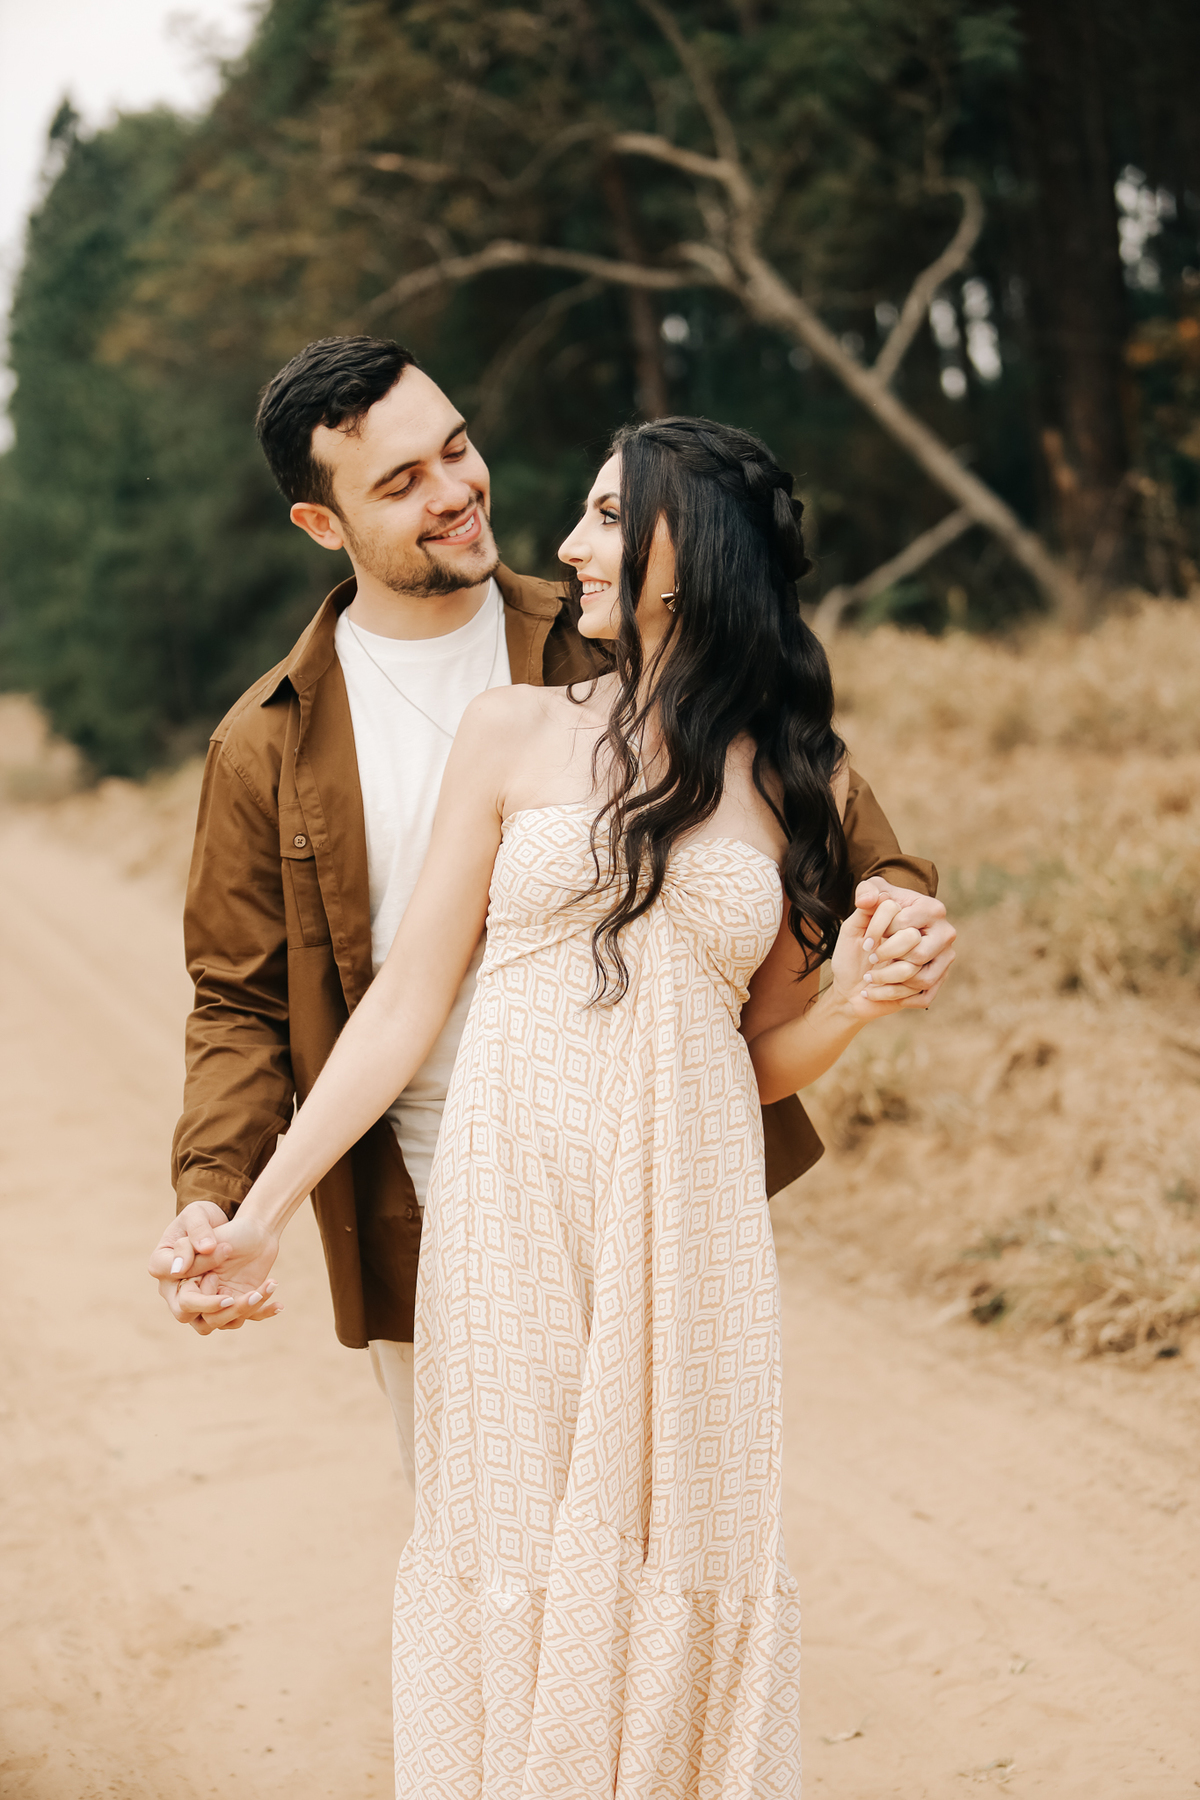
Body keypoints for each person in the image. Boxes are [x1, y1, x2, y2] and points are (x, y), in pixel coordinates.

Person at [165, 414, 940, 1797]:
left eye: (600, 515)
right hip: (511, 1202)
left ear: (681, 558)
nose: (569, 541)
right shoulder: (514, 730)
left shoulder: (790, 777)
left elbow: (762, 1051)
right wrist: (258, 1211)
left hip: (690, 1217)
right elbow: (402, 1003)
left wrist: (864, 998)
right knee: (515, 1546)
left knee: (684, 1547)